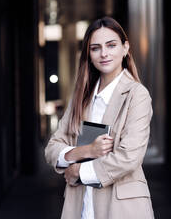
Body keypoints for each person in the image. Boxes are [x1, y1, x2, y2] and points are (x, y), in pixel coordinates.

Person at [45, 16, 154, 219]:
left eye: (111, 45)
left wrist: (79, 172)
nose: (104, 54)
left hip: (121, 207)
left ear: (125, 48)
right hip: (81, 205)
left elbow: (129, 156)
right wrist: (86, 150)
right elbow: (53, 147)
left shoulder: (136, 95)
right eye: (95, 48)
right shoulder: (81, 97)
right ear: (89, 54)